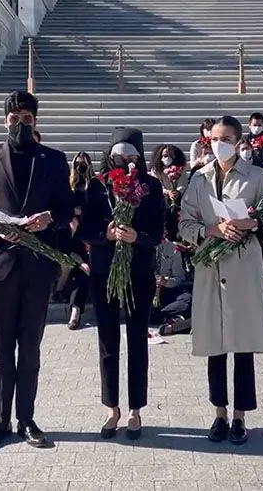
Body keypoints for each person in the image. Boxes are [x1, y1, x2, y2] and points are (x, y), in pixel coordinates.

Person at [0, 90, 74, 451]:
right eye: (14, 119)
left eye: (27, 119)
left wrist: (51, 219)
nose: (20, 124)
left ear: (35, 121)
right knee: (1, 348)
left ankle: (26, 419)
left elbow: (65, 208)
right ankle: (0, 420)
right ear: (4, 122)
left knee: (29, 347)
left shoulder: (55, 160)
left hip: (37, 267)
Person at [179, 115, 263, 445]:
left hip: (242, 266)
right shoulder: (199, 178)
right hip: (211, 266)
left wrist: (251, 223)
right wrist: (210, 230)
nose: (218, 144)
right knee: (215, 344)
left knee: (243, 344)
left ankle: (240, 416)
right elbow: (185, 223)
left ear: (238, 141)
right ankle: (219, 412)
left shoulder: (256, 176)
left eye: (225, 138)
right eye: (213, 139)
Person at [80, 127, 165, 440]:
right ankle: (111, 407)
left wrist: (136, 237)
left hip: (139, 272)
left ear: (139, 159)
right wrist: (108, 233)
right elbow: (85, 231)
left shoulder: (151, 187)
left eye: (131, 157)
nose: (125, 162)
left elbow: (158, 232)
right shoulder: (98, 186)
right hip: (104, 272)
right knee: (107, 340)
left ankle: (135, 409)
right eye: (118, 156)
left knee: (137, 340)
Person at [63, 151, 93, 330]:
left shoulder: (95, 185)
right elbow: (62, 208)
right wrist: (72, 217)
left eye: (84, 163)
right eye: (77, 163)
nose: (80, 166)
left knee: (84, 272)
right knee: (79, 268)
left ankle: (75, 312)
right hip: (70, 237)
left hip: (88, 236)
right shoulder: (69, 185)